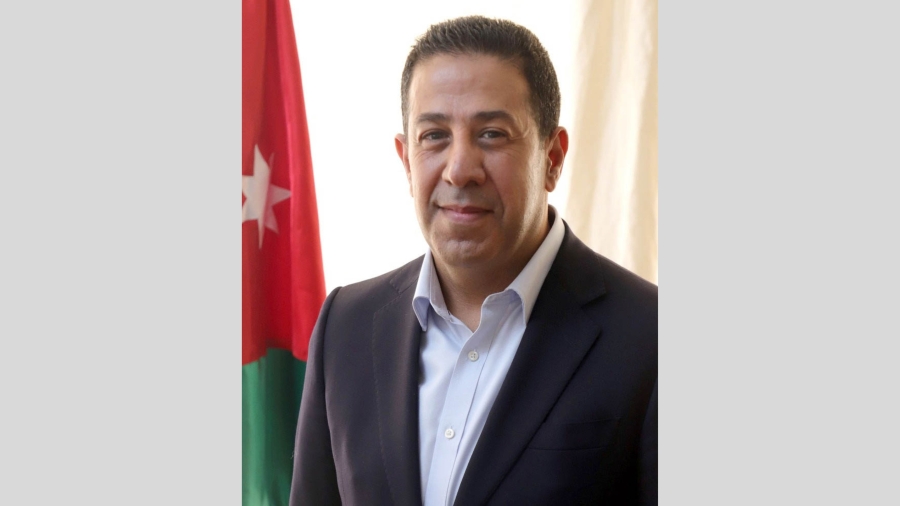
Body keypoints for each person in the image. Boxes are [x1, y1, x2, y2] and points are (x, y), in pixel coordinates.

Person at [290, 15, 657, 506]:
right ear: (406, 159)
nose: (460, 169)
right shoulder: (345, 327)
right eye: (434, 136)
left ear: (552, 158)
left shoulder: (650, 337)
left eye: (492, 134)